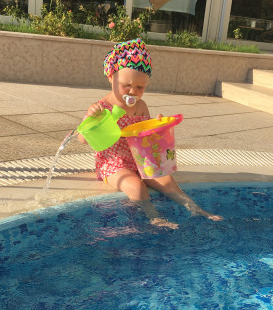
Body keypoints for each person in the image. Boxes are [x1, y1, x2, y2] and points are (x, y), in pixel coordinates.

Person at [78, 38, 223, 228]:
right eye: (126, 85)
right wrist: (92, 117)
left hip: (139, 159)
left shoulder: (141, 106)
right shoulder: (101, 108)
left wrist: (158, 126)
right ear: (111, 78)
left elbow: (146, 137)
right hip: (113, 163)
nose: (133, 91)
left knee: (167, 181)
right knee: (137, 187)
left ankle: (195, 208)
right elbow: (82, 139)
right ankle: (154, 217)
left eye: (140, 87)